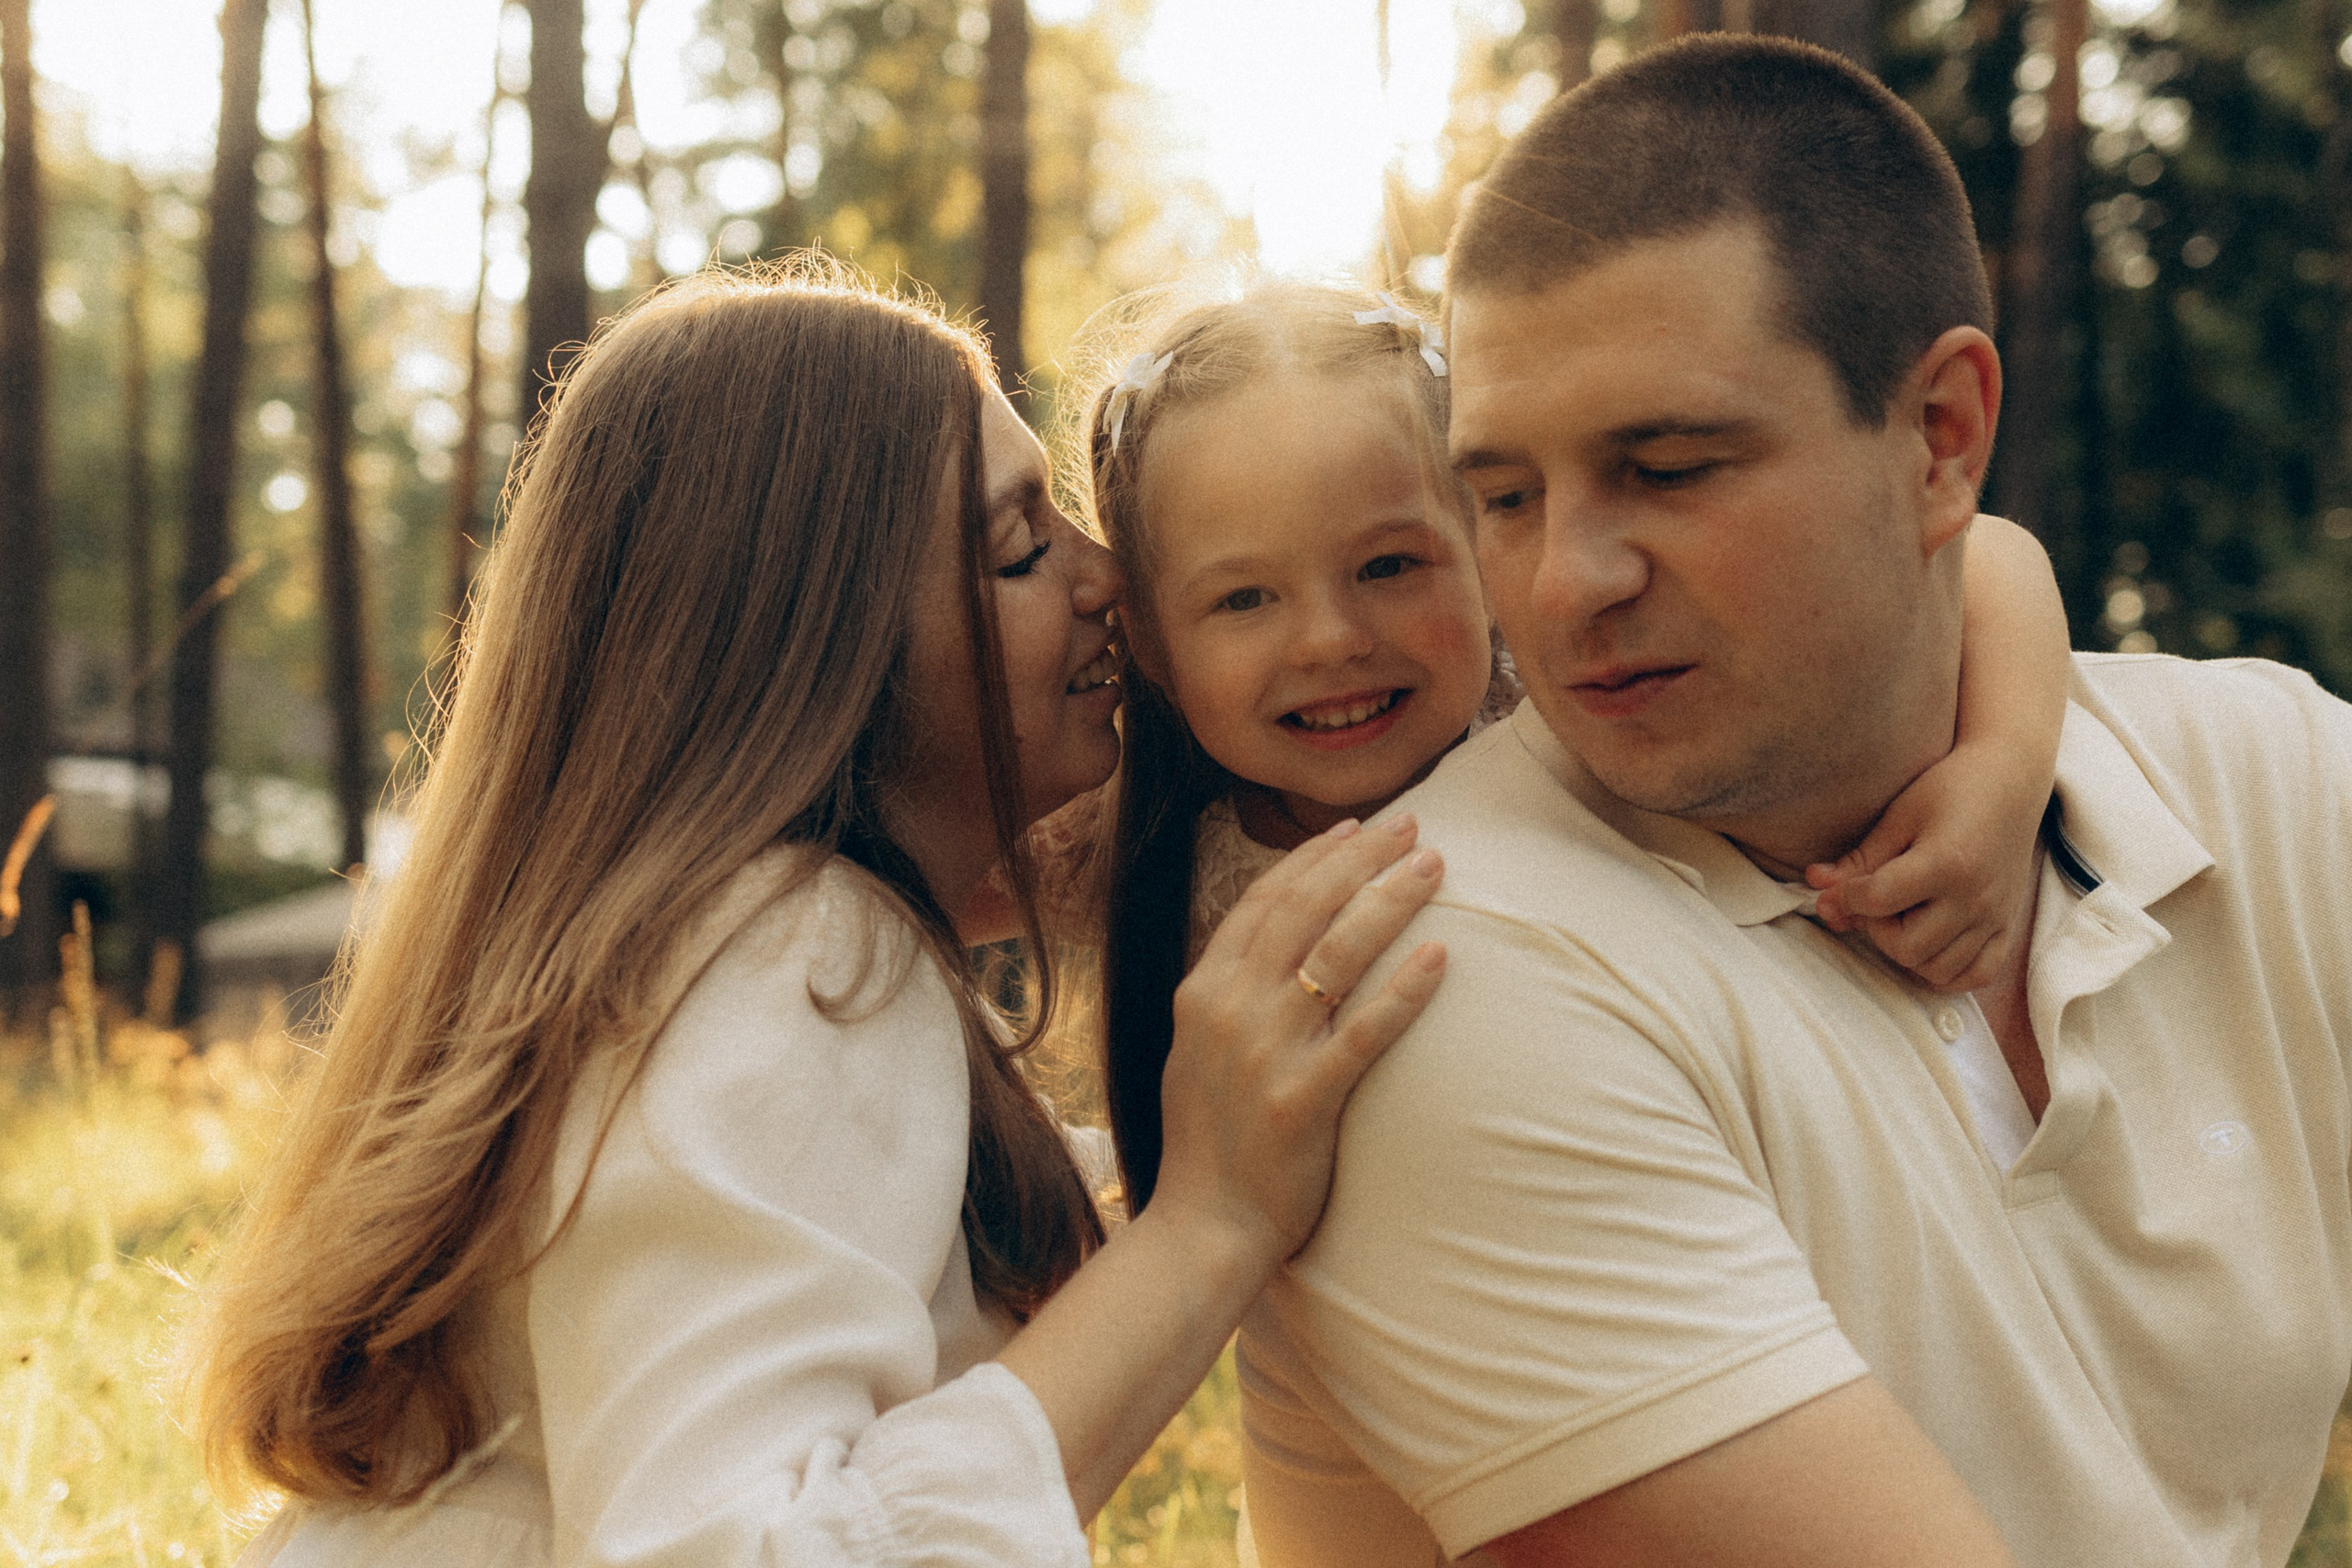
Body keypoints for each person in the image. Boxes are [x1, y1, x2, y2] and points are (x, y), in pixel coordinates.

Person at [1234, 36, 2352, 1568]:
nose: (1564, 585)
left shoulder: (2275, 783)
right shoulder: (1446, 971)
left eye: (1671, 468)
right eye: (1502, 495)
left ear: (1943, 439)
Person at [183, 264, 1454, 1568]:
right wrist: (1209, 1219)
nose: (1110, 578)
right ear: (820, 650)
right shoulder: (792, 953)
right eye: (1022, 547)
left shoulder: (698, 960)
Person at [1054, 279, 2068, 1212]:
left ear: (1491, 546)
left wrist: (2003, 770)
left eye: (1389, 565)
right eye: (1243, 597)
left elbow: (1983, 552)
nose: (1329, 640)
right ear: (1144, 630)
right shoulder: (1141, 854)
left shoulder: (1583, 719)